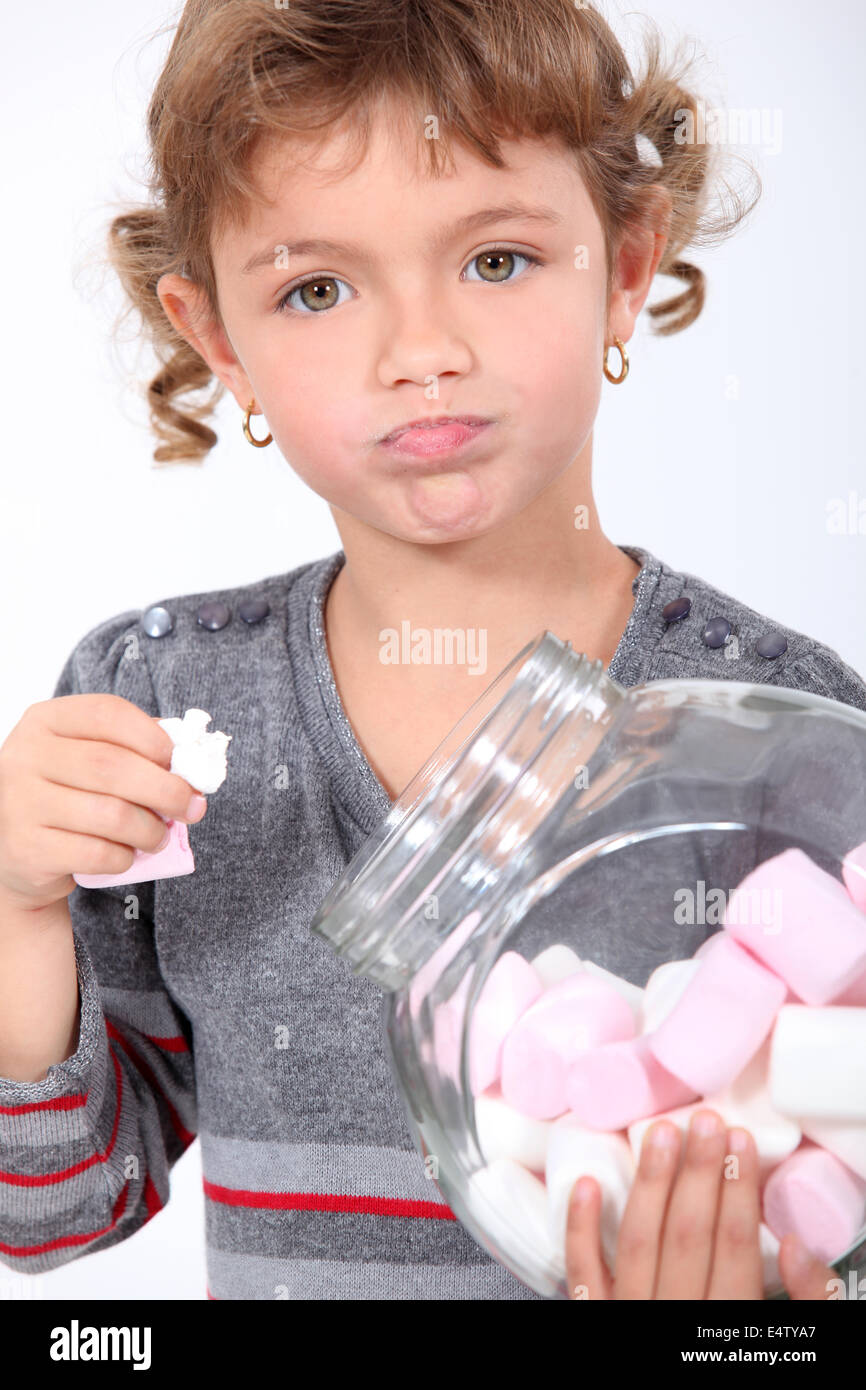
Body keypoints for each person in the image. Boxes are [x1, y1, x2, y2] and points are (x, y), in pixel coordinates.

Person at [1, 0, 863, 1302]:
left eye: (498, 261)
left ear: (626, 262)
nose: (421, 353)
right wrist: (15, 905)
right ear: (218, 338)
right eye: (318, 288)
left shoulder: (788, 734)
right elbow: (54, 1214)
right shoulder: (158, 698)